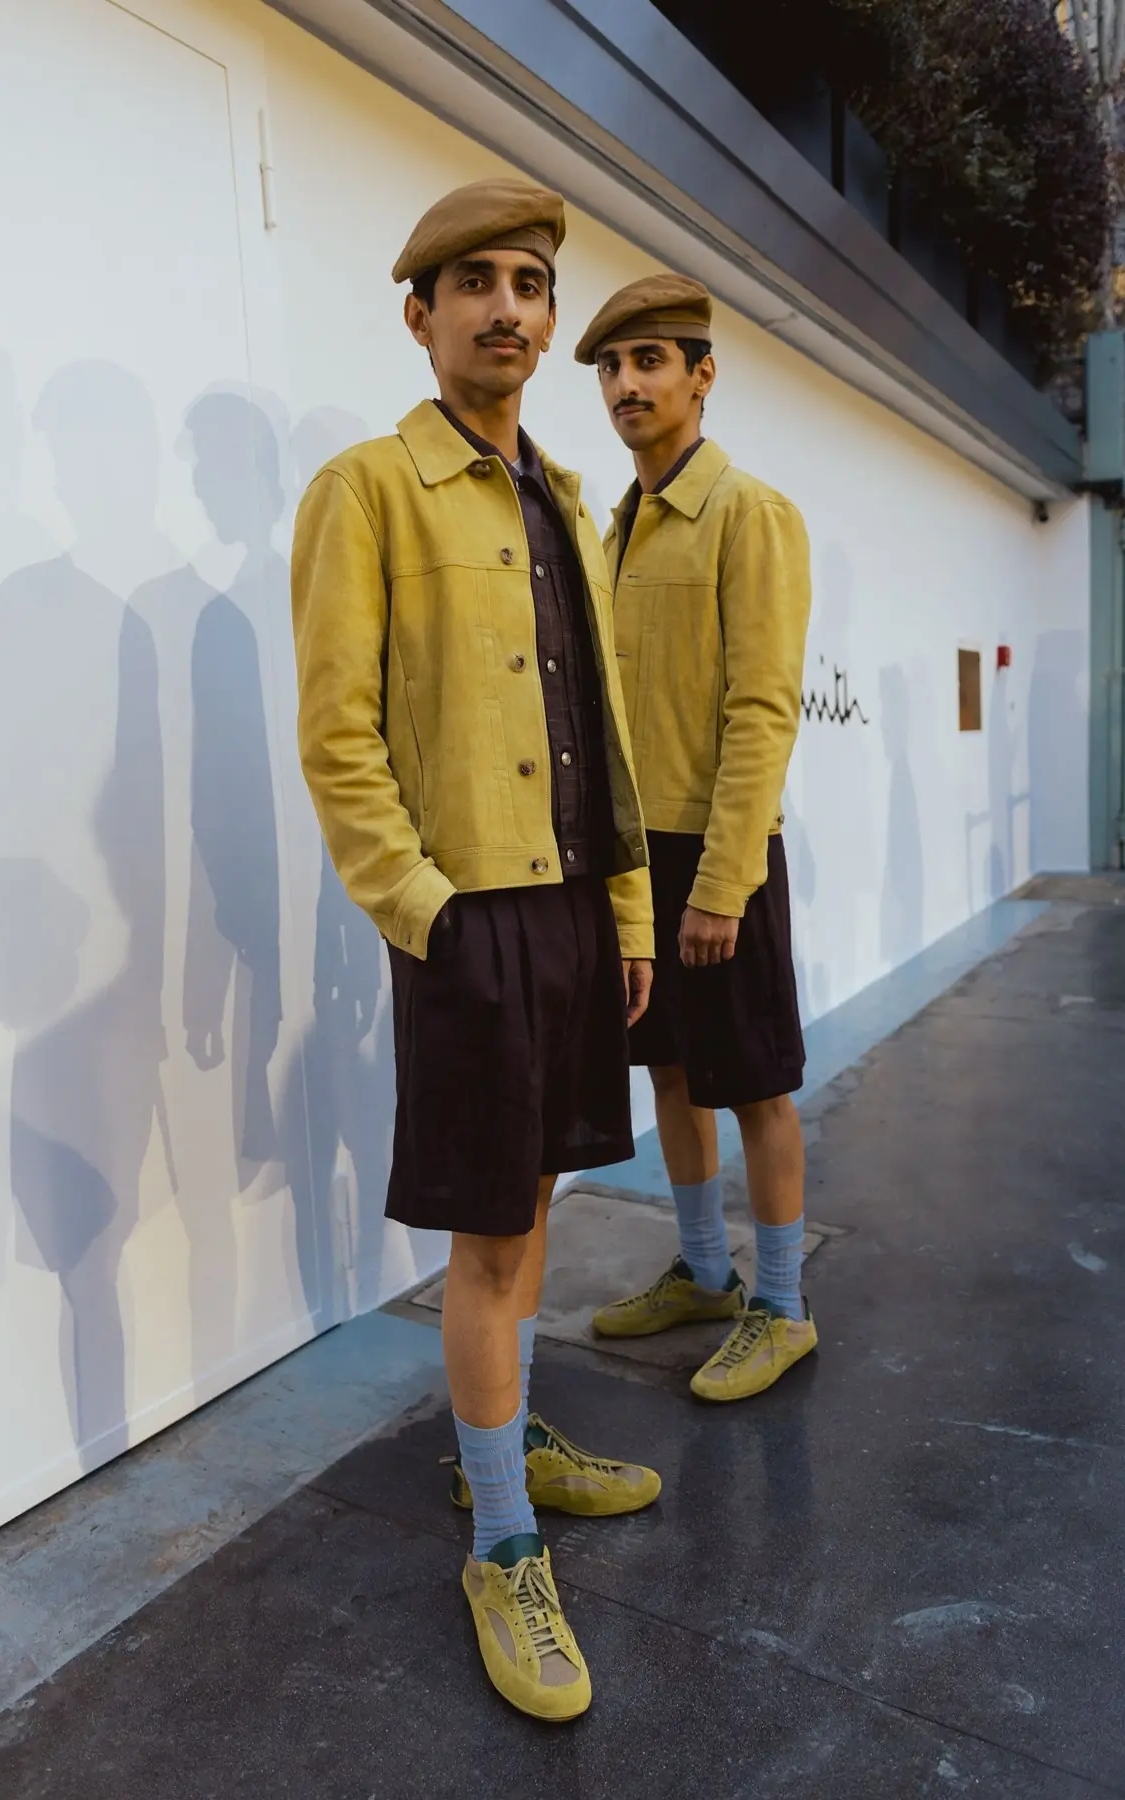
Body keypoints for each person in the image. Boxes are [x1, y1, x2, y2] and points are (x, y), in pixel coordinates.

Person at [291, 180, 659, 1724]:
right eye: (476, 284)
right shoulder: (369, 489)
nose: (508, 307)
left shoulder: (563, 492)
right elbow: (338, 736)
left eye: (529, 283)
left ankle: (501, 1444)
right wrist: (426, 912)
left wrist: (626, 909)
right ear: (421, 315)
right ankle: (502, 1542)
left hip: (575, 906)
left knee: (542, 1194)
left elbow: (603, 723)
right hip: (474, 915)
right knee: (491, 1233)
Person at [575, 274, 815, 1404]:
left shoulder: (749, 513)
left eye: (650, 361)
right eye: (611, 368)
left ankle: (784, 1306)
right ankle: (709, 1273)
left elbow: (763, 709)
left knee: (757, 1083)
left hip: (723, 855)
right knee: (670, 1069)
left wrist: (724, 882)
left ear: (702, 374)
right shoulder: (614, 528)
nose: (627, 385)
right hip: (639, 859)